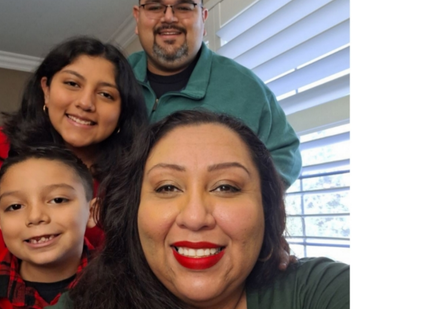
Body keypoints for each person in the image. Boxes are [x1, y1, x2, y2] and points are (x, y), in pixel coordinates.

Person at [0, 110, 349, 309]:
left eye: (226, 187)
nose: (195, 216)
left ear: (266, 209)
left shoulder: (322, 297)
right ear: (133, 211)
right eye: (167, 187)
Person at [0, 36, 148, 270]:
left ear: (122, 112)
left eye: (105, 94)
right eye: (72, 83)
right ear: (46, 90)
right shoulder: (2, 146)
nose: (85, 103)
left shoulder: (136, 177)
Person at [128, 0, 302, 189]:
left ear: (203, 18)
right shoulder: (114, 75)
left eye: (184, 7)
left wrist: (239, 195)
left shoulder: (245, 87)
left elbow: (285, 156)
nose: (169, 18)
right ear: (137, 17)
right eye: (154, 7)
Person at [0, 146, 98, 309]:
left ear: (92, 212)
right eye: (15, 206)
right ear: (0, 223)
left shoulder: (125, 285)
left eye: (58, 200)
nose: (35, 216)